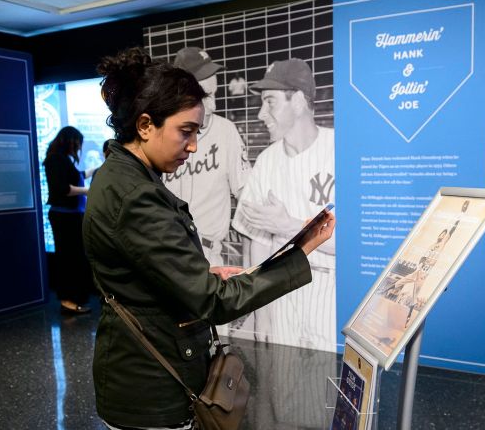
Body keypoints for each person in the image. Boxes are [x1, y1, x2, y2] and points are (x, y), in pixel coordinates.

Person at [84, 47, 335, 430]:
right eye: (185, 132)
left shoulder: (123, 175)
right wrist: (299, 252)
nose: (194, 146)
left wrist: (199, 272)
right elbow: (213, 303)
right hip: (150, 387)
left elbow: (143, 270)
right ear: (146, 125)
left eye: (197, 132)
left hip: (145, 373)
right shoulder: (136, 195)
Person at [231, 58, 337, 352]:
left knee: (327, 392)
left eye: (270, 102)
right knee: (284, 393)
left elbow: (354, 243)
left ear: (299, 100)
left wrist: (290, 226)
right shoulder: (266, 161)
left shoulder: (338, 150)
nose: (261, 113)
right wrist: (260, 314)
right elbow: (258, 244)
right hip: (281, 303)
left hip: (330, 300)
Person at [167, 46, 250, 267]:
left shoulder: (226, 131)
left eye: (215, 93)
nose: (213, 105)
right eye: (206, 96)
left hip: (208, 257)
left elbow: (247, 195)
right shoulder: (159, 136)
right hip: (165, 256)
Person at [43, 126, 96, 314]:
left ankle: (74, 298)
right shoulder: (55, 160)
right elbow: (62, 188)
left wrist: (97, 170)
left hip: (70, 215)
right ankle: (68, 300)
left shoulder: (61, 159)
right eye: (78, 144)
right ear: (71, 141)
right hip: (64, 216)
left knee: (74, 258)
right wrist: (88, 191)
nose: (78, 149)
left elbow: (77, 176)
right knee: (68, 259)